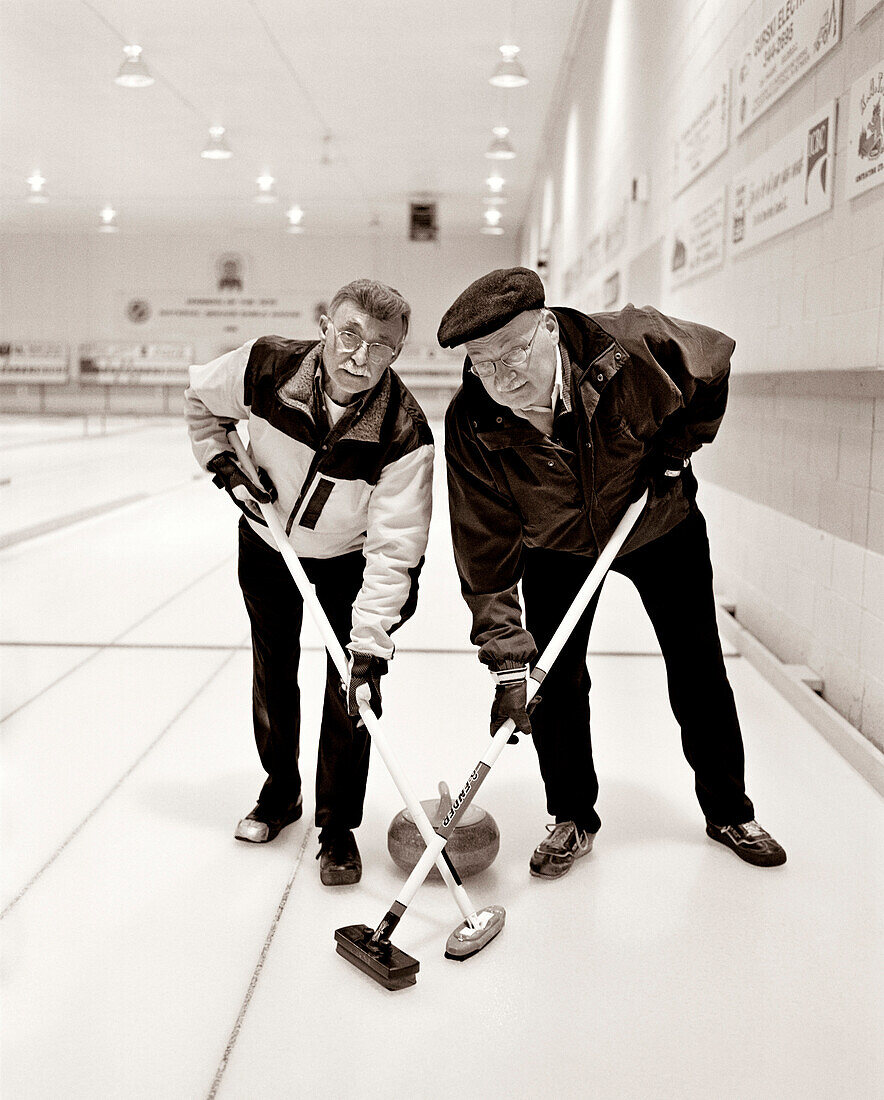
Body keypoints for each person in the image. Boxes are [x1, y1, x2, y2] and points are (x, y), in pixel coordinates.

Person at [439, 267, 786, 878]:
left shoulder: (630, 347)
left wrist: (677, 449)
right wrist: (506, 657)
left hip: (659, 523)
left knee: (697, 664)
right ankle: (571, 816)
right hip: (557, 548)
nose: (502, 377)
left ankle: (730, 808)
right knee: (556, 682)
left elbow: (714, 362)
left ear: (548, 327)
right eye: (481, 364)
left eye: (514, 353)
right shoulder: (473, 422)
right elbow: (483, 548)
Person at [185, 278, 433, 885]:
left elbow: (395, 547)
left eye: (381, 346)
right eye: (350, 333)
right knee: (273, 670)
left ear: (397, 353)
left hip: (349, 562)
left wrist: (371, 644)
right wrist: (225, 467)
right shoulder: (267, 365)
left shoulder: (403, 431)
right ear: (325, 323)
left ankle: (339, 824)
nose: (360, 356)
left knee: (352, 694)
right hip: (269, 546)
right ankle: (281, 790)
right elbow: (202, 401)